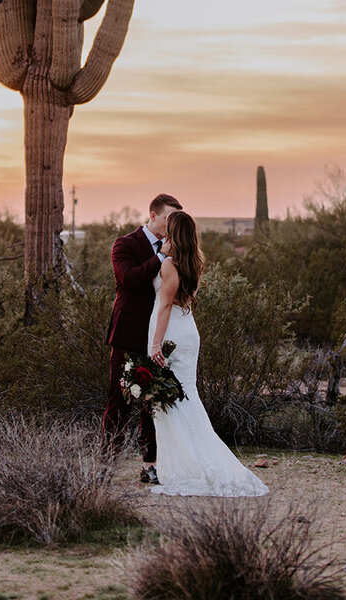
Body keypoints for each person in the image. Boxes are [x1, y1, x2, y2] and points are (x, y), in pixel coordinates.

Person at [148, 210, 270, 497]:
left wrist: (155, 344)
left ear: (174, 234)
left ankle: (191, 466)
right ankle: (190, 461)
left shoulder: (168, 266)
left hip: (172, 335)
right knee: (186, 398)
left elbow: (165, 306)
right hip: (189, 331)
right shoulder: (193, 263)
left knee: (172, 401)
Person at [102, 194, 183, 484]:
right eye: (168, 218)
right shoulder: (124, 244)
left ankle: (150, 465)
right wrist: (161, 256)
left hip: (159, 336)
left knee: (153, 404)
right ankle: (106, 464)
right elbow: (130, 278)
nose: (171, 224)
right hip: (128, 333)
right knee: (118, 401)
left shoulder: (177, 250)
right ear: (153, 215)